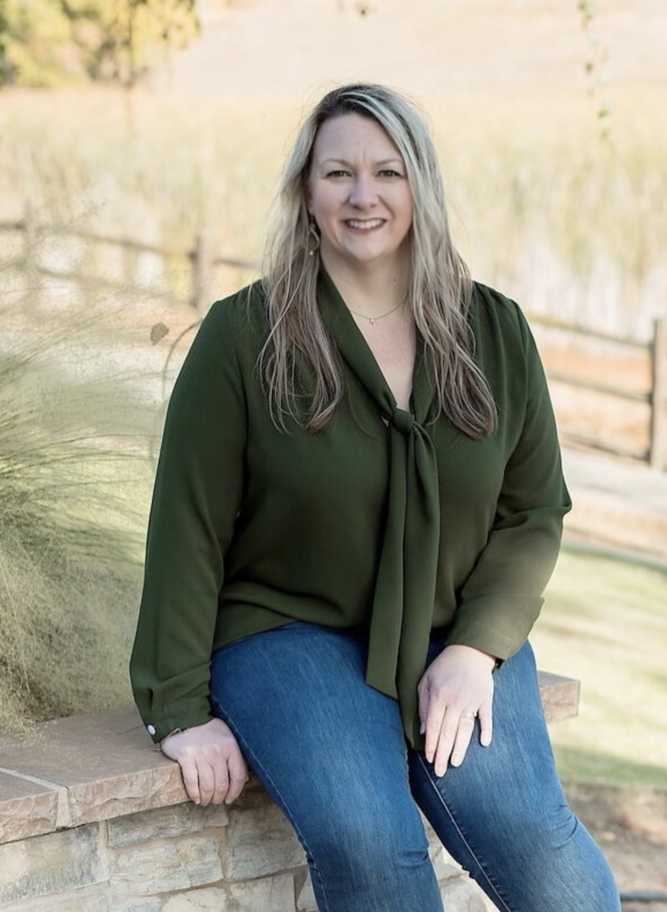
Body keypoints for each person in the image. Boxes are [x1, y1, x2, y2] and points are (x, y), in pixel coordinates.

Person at [129, 82, 621, 911]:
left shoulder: (493, 332)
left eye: (388, 172)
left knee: (529, 837)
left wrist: (475, 651)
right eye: (339, 174)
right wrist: (178, 710)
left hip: (451, 630)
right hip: (289, 632)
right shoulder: (245, 337)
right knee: (371, 843)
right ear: (306, 192)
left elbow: (531, 513)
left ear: (420, 187)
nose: (364, 197)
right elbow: (189, 528)